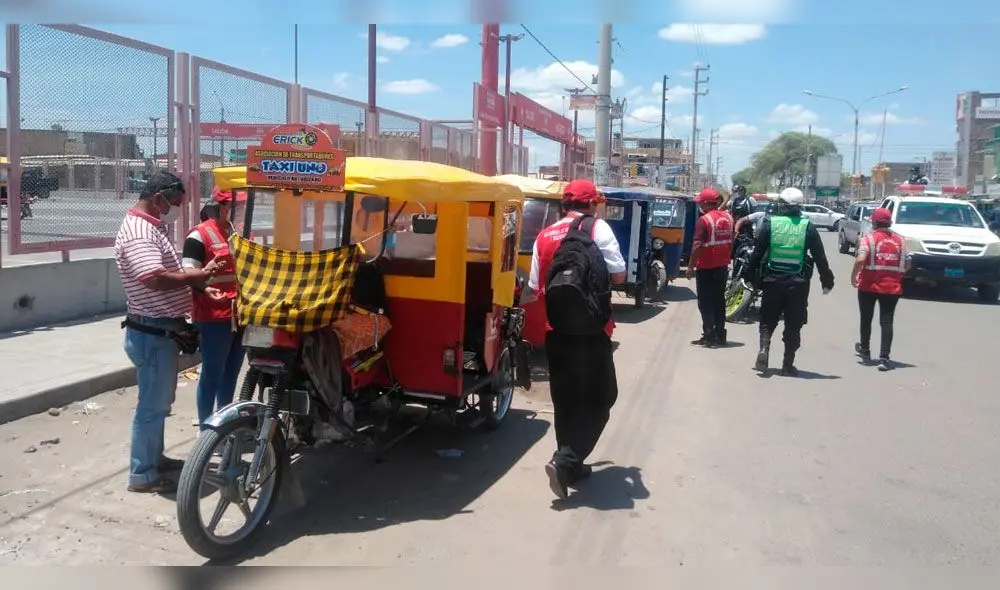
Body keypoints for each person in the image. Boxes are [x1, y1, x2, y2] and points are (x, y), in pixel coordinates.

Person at [114, 171, 227, 494]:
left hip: (160, 329)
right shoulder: (139, 232)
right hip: (152, 331)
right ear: (159, 196)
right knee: (151, 405)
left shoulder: (151, 228)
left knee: (159, 401)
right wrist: (198, 276)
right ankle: (143, 474)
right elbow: (155, 278)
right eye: (174, 201)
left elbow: (168, 275)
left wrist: (202, 287)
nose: (176, 208)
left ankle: (155, 460)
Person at [520, 179, 626, 500]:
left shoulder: (544, 235)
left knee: (565, 401)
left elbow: (536, 287)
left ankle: (572, 465)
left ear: (564, 205)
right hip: (593, 332)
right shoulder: (599, 229)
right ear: (592, 204)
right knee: (602, 398)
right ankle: (565, 460)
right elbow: (619, 274)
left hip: (556, 332)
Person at [743, 187, 835, 376]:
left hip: (772, 280)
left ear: (782, 205)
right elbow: (820, 256)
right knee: (794, 324)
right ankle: (787, 365)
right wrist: (827, 280)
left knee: (768, 320)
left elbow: (757, 253)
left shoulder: (771, 223)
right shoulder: (807, 226)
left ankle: (764, 349)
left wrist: (748, 276)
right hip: (798, 283)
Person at [182, 189, 246, 428]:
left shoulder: (235, 232)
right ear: (221, 207)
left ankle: (224, 425)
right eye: (235, 206)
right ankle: (206, 429)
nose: (239, 211)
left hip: (237, 315)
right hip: (213, 316)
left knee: (231, 373)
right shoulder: (198, 236)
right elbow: (189, 274)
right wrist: (204, 285)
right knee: (212, 373)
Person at [851, 207, 908, 371]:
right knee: (887, 321)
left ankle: (865, 348)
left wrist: (853, 275)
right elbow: (909, 263)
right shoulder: (901, 241)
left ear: (874, 223)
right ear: (889, 222)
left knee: (866, 318)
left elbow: (860, 259)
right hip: (892, 287)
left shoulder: (868, 240)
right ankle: (884, 358)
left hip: (868, 285)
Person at [685, 188, 733, 347]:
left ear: (706, 203)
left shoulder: (703, 220)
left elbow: (697, 245)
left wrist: (690, 267)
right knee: (719, 301)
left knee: (705, 303)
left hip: (706, 267)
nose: (700, 205)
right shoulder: (728, 217)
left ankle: (709, 335)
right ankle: (720, 334)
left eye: (700, 203)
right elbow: (731, 241)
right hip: (722, 266)